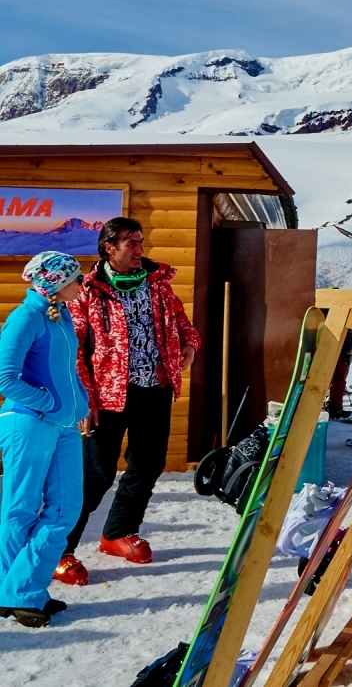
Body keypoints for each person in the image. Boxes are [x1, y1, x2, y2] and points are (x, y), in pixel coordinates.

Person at [62, 218, 199, 575]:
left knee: (148, 464)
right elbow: (74, 350)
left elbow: (184, 322)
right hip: (106, 397)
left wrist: (189, 345)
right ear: (109, 248)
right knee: (95, 474)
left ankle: (118, 532)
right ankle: (59, 548)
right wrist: (85, 401)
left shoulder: (157, 284)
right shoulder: (88, 291)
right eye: (131, 243)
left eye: (140, 241)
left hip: (155, 389)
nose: (140, 249)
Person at [0, 252, 89, 625]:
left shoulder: (61, 315)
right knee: (20, 509)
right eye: (76, 278)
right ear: (53, 282)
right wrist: (49, 403)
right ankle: (17, 592)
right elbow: (5, 378)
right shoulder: (25, 317)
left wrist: (77, 405)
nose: (81, 283)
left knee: (66, 508)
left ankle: (19, 587)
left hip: (63, 426)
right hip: (28, 423)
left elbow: (65, 370)